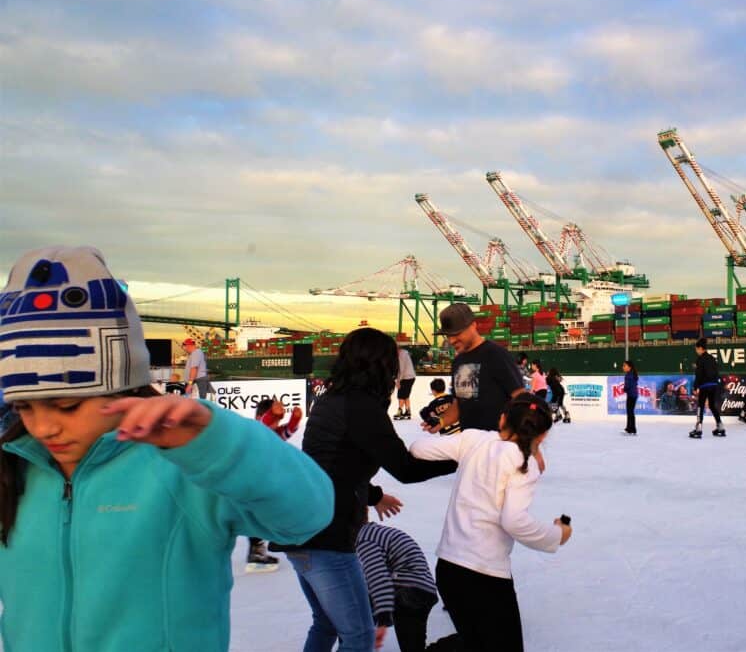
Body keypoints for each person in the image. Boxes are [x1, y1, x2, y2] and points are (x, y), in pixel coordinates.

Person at [0, 245, 334, 652]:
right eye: (24, 407)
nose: (44, 426)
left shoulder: (184, 464)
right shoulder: (13, 468)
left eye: (68, 405)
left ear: (123, 384)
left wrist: (218, 443)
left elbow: (308, 515)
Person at [278, 327, 458, 652]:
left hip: (299, 527)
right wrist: (460, 457)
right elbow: (405, 467)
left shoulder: (331, 398)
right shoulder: (361, 406)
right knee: (358, 636)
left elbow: (331, 464)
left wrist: (373, 495)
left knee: (327, 623)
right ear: (381, 366)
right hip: (326, 535)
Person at [410, 393, 572, 652]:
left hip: (449, 569)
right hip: (484, 575)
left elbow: (418, 448)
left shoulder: (474, 439)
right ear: (541, 436)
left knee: (476, 641)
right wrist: (557, 534)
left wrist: (461, 447)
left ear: (503, 418)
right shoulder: (523, 462)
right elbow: (514, 521)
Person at [426, 303, 525, 433]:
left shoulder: (496, 354)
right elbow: (459, 404)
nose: (451, 341)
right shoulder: (458, 361)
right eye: (448, 335)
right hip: (470, 442)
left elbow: (521, 398)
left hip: (497, 442)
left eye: (456, 333)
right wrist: (440, 421)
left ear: (473, 325)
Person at [356, 512, 444, 652]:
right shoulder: (375, 533)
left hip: (408, 590)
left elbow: (378, 578)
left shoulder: (365, 540)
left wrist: (382, 619)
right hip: (421, 589)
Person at [244, 398, 306, 573]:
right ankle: (256, 551)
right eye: (273, 421)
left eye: (277, 422)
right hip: (250, 483)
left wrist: (294, 419)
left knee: (262, 517)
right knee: (256, 517)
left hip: (262, 483)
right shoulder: (255, 430)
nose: (275, 425)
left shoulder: (273, 433)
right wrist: (273, 414)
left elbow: (288, 430)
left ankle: (259, 549)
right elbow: (264, 425)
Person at [691, 338, 724, 439]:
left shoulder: (700, 359)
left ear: (701, 348)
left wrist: (695, 386)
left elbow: (699, 374)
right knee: (712, 405)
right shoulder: (712, 358)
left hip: (704, 385)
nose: (696, 351)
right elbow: (716, 372)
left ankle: (698, 428)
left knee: (700, 406)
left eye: (697, 349)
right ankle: (720, 426)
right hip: (713, 385)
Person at [395, 347, 416, 420]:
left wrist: (398, 381)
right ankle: (408, 411)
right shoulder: (404, 353)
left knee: (401, 395)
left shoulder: (402, 355)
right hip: (410, 377)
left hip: (406, 377)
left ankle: (399, 411)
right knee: (406, 395)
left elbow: (402, 369)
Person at [623, 360, 638, 436]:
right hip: (633, 395)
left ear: (629, 367)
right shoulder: (632, 373)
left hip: (631, 395)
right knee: (630, 412)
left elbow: (628, 385)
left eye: (624, 366)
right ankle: (629, 428)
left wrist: (624, 389)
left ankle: (632, 429)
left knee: (630, 412)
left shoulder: (629, 375)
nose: (623, 367)